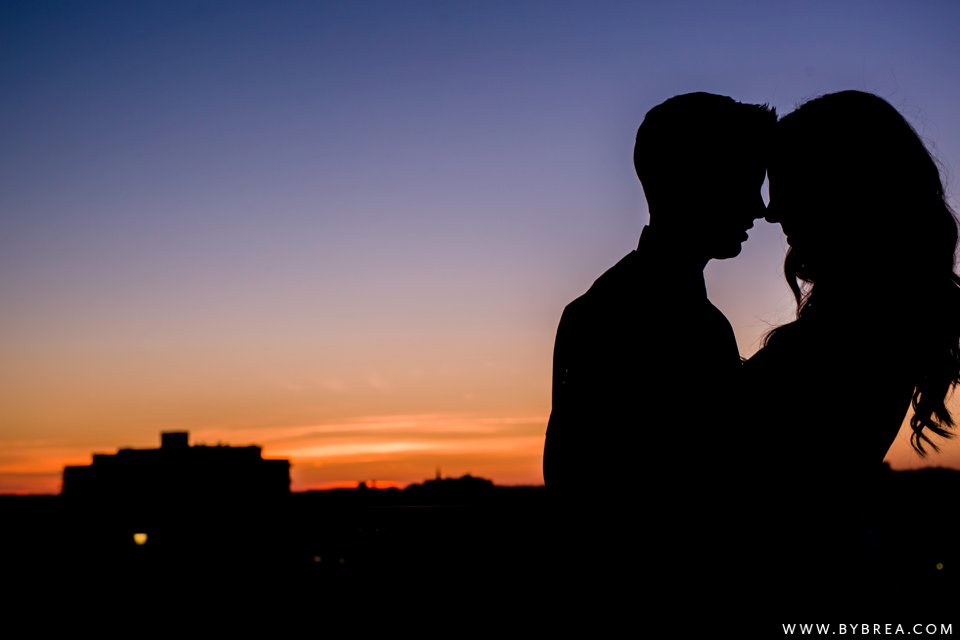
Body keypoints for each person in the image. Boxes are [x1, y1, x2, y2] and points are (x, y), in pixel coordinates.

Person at [541, 93, 775, 592]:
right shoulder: (656, 319)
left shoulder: (600, 310)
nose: (760, 207)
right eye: (747, 183)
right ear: (694, 181)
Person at [746, 90, 960, 603]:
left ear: (843, 186)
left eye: (787, 184)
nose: (771, 213)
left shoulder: (858, 329)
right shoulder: (889, 311)